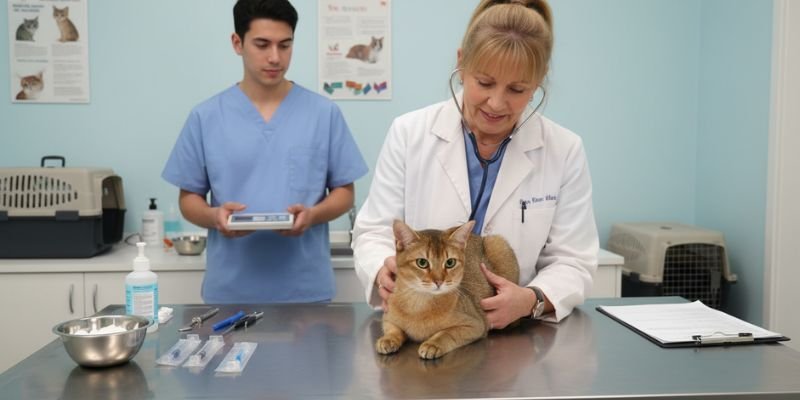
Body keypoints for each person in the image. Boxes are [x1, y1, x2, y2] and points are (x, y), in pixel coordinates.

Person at [352, 0, 598, 327]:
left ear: (538, 83)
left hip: (516, 342)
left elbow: (573, 260)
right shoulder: (410, 133)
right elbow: (374, 231)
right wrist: (382, 269)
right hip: (426, 326)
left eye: (517, 89)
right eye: (484, 82)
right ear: (461, 63)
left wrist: (531, 299)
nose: (496, 103)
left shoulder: (564, 149)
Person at [162, 0, 367, 304]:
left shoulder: (323, 113)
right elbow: (188, 199)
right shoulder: (206, 117)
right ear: (237, 43)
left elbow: (345, 193)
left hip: (305, 293)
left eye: (285, 46)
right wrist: (214, 216)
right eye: (262, 44)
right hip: (230, 295)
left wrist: (312, 215)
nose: (275, 57)